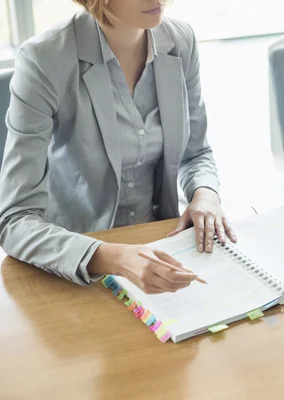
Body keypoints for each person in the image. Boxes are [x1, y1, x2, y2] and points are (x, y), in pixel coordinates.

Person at [0, 0, 236, 294]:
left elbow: (196, 153)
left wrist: (205, 195)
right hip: (77, 262)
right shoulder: (44, 59)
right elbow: (14, 218)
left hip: (163, 248)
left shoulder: (180, 41)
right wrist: (116, 257)